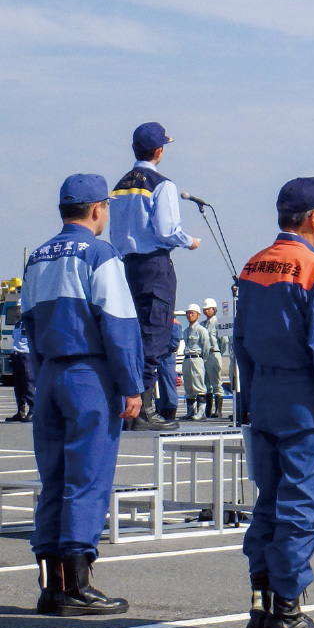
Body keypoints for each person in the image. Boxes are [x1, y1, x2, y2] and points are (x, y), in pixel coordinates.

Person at [234, 177, 314, 628]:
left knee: (267, 503)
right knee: (299, 509)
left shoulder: (254, 264)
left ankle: (262, 608)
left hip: (263, 396)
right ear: (312, 218)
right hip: (303, 402)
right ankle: (287, 611)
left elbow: (240, 340)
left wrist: (249, 399)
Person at [22, 174, 143, 615]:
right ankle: (77, 586)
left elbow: (29, 324)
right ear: (98, 209)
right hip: (88, 375)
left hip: (51, 373)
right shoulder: (100, 253)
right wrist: (132, 384)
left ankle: (51, 586)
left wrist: (42, 374)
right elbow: (118, 323)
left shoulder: (38, 256)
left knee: (53, 480)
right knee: (86, 481)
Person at [109, 122, 194, 432]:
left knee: (131, 335)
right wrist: (190, 241)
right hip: (154, 264)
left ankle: (131, 407)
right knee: (155, 334)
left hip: (125, 265)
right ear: (159, 151)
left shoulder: (119, 186)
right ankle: (144, 410)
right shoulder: (162, 184)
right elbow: (167, 231)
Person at [180, 304, 211, 421]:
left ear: (198, 315)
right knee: (188, 386)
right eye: (188, 313)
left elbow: (206, 346)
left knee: (199, 385)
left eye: (193, 313)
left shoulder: (202, 330)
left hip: (197, 358)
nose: (190, 315)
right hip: (187, 359)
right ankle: (190, 411)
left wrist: (203, 359)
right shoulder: (186, 331)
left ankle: (201, 412)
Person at [6, 310, 34, 422]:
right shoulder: (18, 323)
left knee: (28, 383)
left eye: (19, 307)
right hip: (17, 354)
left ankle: (33, 410)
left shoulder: (31, 321)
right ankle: (20, 411)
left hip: (26, 354)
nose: (17, 310)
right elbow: (15, 338)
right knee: (18, 384)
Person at [201, 298, 225, 419]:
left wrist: (219, 353)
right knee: (207, 383)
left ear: (214, 310)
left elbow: (224, 341)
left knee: (216, 383)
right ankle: (208, 410)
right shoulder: (203, 324)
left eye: (208, 309)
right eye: (204, 309)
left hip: (214, 353)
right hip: (205, 355)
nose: (206, 311)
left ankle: (218, 410)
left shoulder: (218, 323)